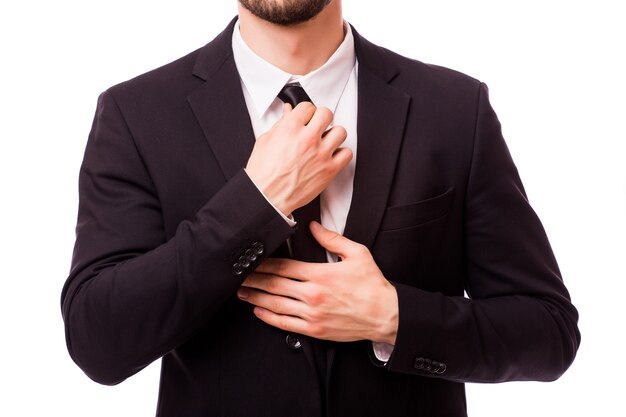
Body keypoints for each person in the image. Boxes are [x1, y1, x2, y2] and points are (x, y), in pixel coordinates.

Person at [61, 1, 580, 416]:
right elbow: (98, 341)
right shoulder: (136, 114)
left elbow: (547, 330)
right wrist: (254, 202)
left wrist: (394, 318)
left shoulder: (453, 109)